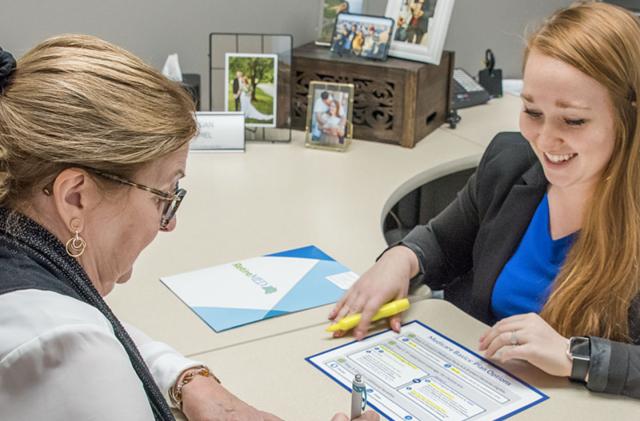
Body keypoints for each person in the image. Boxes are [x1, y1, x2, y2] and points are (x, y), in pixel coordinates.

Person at [0, 35, 379, 421]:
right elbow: (79, 344)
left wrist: (188, 379)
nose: (170, 222)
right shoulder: (71, 350)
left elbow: (92, 325)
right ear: (75, 197)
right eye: (163, 194)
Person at [330, 2, 640, 399]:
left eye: (573, 120)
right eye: (532, 111)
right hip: (475, 388)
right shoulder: (509, 163)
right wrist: (400, 260)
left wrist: (574, 356)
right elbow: (442, 242)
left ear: (628, 115)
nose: (545, 140)